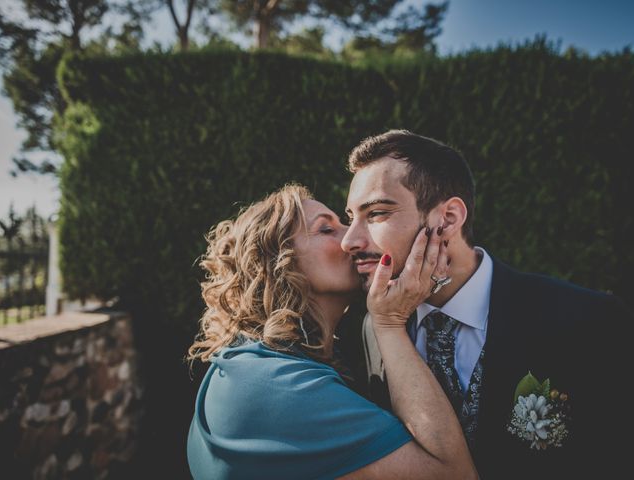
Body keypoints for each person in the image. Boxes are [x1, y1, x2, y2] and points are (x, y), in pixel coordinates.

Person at [340, 129, 633, 479]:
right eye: (350, 217)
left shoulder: (590, 320)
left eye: (375, 214)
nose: (349, 240)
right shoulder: (375, 327)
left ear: (447, 219)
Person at [186, 184, 477, 480]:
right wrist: (389, 323)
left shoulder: (252, 366)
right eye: (327, 229)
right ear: (278, 263)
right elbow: (455, 475)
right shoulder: (275, 386)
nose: (352, 239)